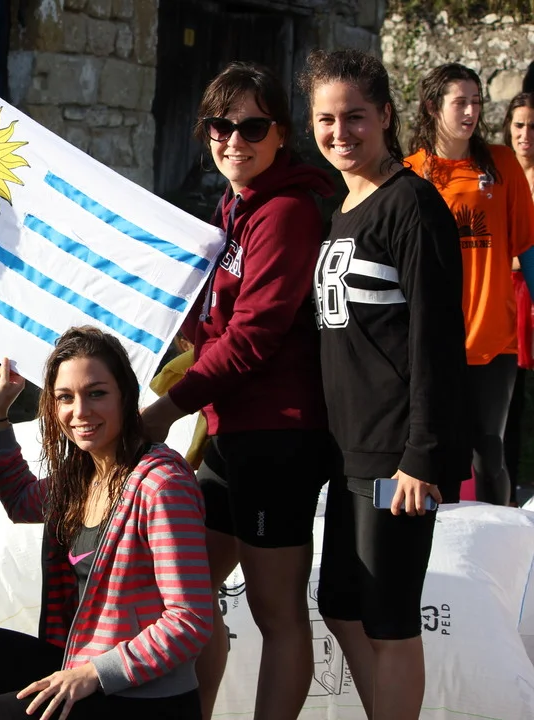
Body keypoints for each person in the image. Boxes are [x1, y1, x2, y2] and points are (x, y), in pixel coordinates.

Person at [140, 61, 334, 720]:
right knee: (187, 599)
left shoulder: (285, 212)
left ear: (282, 133)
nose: (233, 140)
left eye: (253, 127)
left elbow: (253, 337)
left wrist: (166, 408)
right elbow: (214, 322)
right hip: (232, 433)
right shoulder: (238, 205)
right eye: (220, 125)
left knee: (276, 612)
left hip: (278, 434)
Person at [299, 48, 468, 719]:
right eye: (326, 119)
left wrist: (421, 457)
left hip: (397, 456)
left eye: (356, 117)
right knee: (343, 604)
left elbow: (437, 342)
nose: (340, 132)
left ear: (387, 116)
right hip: (349, 451)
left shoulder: (413, 206)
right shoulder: (345, 206)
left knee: (390, 619)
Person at [0, 326, 211, 720]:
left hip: (144, 696)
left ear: (126, 396)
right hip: (80, 666)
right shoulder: (83, 478)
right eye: (65, 398)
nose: (80, 411)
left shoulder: (162, 484)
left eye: (97, 393)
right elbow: (20, 500)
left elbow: (189, 621)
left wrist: (93, 673)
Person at [405, 63, 534, 506]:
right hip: (430, 340)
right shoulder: (409, 172)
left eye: (476, 101)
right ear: (431, 106)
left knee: (489, 452)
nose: (470, 111)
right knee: (431, 452)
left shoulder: (501, 164)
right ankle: (435, 540)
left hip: (493, 339)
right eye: (459, 102)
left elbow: (528, 246)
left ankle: (498, 537)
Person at [503, 92, 534, 504]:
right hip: (503, 290)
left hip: (528, 286)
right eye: (519, 125)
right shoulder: (499, 173)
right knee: (507, 395)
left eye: (533, 126)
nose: (526, 134)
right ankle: (506, 489)